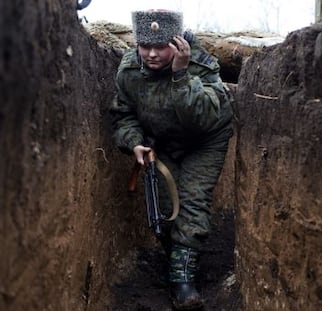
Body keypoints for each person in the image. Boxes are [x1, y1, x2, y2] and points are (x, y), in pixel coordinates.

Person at [109, 9, 233, 310]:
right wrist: (134, 143)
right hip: (161, 144)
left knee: (192, 202)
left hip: (203, 143)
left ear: (177, 44)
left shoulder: (202, 67)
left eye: (160, 46)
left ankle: (183, 282)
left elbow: (201, 119)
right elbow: (123, 115)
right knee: (165, 210)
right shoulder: (129, 71)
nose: (151, 54)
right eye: (145, 46)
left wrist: (180, 74)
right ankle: (179, 258)